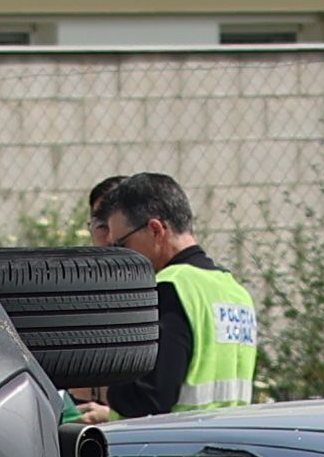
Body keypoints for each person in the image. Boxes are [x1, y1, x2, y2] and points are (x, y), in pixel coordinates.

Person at [80, 172, 259, 419]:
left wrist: (93, 389)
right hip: (228, 445)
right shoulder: (235, 292)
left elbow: (151, 397)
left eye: (121, 244)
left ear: (155, 230)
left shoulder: (170, 288)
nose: (120, 254)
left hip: (176, 447)